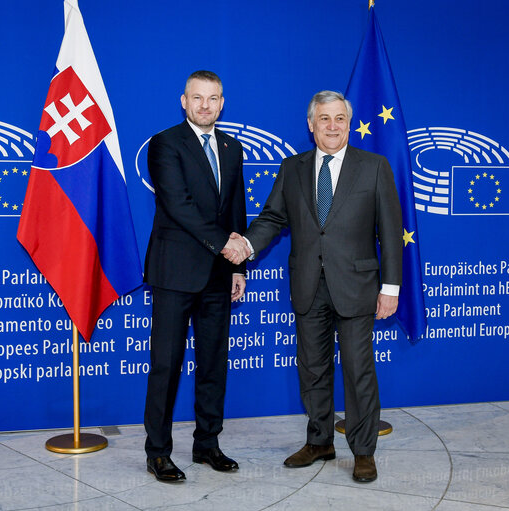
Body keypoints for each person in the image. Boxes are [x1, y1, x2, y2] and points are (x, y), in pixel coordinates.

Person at [231, 90, 402, 483]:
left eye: (340, 118)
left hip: (357, 287)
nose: (332, 126)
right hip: (308, 285)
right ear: (311, 124)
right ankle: (320, 440)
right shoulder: (293, 168)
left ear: (348, 122)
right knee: (312, 369)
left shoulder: (374, 167)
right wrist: (247, 244)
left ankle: (362, 451)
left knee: (359, 370)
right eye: (324, 119)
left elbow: (390, 233)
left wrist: (390, 287)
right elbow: (273, 218)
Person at [143, 70, 249, 482]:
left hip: (219, 276)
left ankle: (207, 444)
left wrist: (238, 265)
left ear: (222, 103)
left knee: (212, 365)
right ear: (183, 101)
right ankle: (158, 452)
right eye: (197, 98)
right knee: (166, 365)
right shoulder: (165, 144)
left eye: (213, 98)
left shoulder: (231, 147)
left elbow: (235, 209)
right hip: (175, 272)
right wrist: (226, 245)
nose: (205, 105)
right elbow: (179, 205)